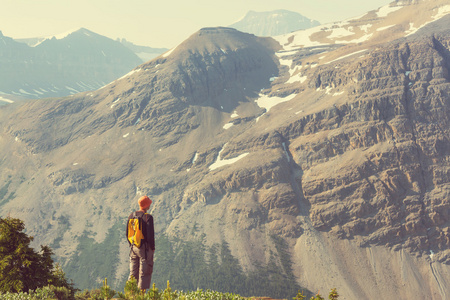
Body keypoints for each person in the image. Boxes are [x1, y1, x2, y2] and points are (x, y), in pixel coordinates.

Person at [126, 195, 155, 291]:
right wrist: (152, 248)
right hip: (144, 249)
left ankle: (130, 294)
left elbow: (127, 233)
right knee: (144, 272)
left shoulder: (132, 215)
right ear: (147, 205)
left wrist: (132, 245)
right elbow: (150, 235)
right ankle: (141, 295)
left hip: (133, 247)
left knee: (133, 272)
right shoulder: (148, 217)